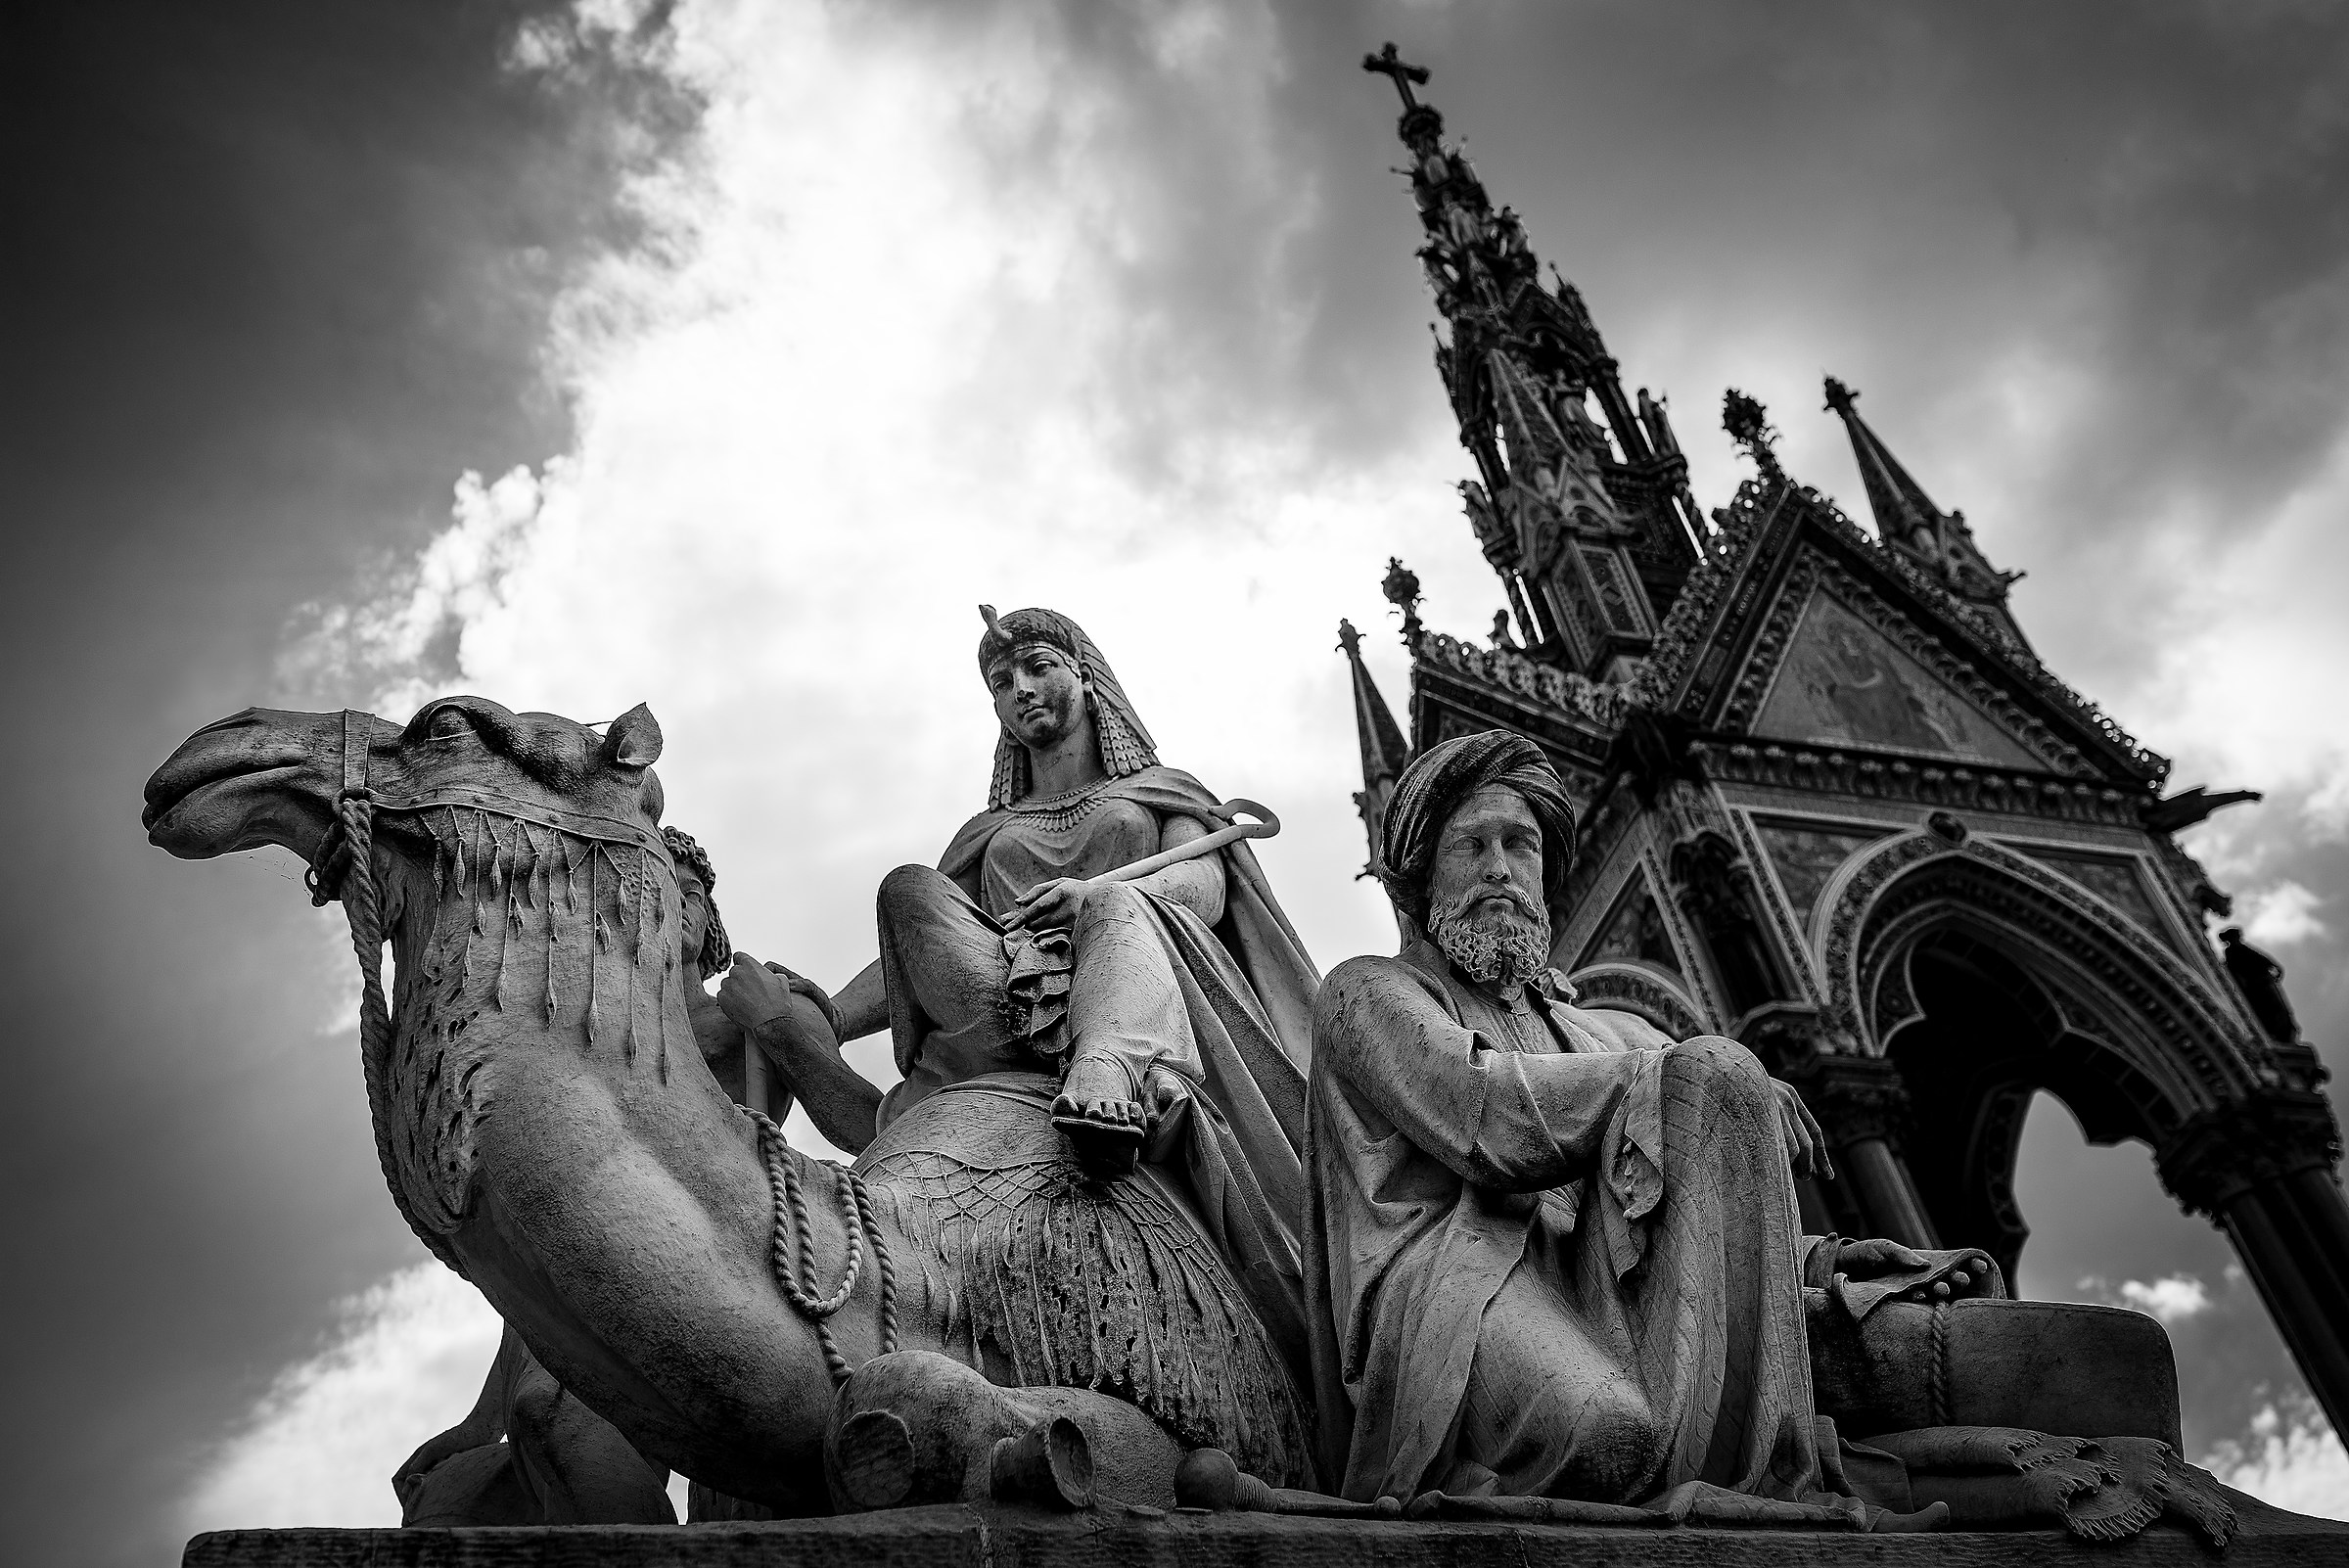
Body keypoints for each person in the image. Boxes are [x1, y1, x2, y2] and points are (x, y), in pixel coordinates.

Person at [717, 606, 1322, 1478]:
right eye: (1001, 683)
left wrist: (1093, 893)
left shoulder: (1162, 795)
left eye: (1037, 667)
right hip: (998, 1006)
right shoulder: (990, 834)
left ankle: (1106, 1071)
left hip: (1122, 968)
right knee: (907, 887)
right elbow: (918, 944)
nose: (1020, 691)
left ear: (1086, 674)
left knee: (1125, 908)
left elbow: (1200, 886)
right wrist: (826, 1015)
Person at [1304, 730, 1942, 1523]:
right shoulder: (1365, 994)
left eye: (1520, 843)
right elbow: (1490, 1119)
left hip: (1599, 1279)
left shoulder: (1599, 1034)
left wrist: (1812, 1257)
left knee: (1928, 1346)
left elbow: (1680, 1189)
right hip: (1457, 1287)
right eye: (1470, 844)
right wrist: (1683, 1073)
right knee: (1608, 1437)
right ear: (1419, 872)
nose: (1499, 867)